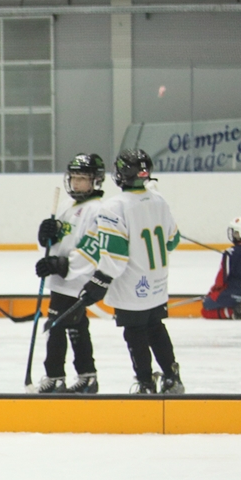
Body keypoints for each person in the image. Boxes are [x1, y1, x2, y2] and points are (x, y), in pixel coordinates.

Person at [64, 149, 183, 394]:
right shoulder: (159, 200)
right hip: (158, 283)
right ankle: (172, 378)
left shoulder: (114, 206)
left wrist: (98, 282)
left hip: (132, 286)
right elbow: (173, 240)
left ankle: (145, 383)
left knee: (135, 333)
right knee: (156, 328)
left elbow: (115, 257)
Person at [33, 153, 108, 392]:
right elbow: (57, 243)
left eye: (82, 178)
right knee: (76, 326)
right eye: (74, 178)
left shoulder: (97, 210)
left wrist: (62, 265)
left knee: (55, 325)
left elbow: (92, 249)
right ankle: (87, 375)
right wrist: (46, 237)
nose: (76, 183)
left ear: (95, 180)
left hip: (78, 279)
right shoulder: (67, 206)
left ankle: (55, 377)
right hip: (62, 280)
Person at [201, 218, 241, 319]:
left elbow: (221, 280)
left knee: (206, 308)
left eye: (236, 232)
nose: (234, 235)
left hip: (236, 293)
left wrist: (212, 293)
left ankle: (233, 313)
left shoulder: (230, 252)